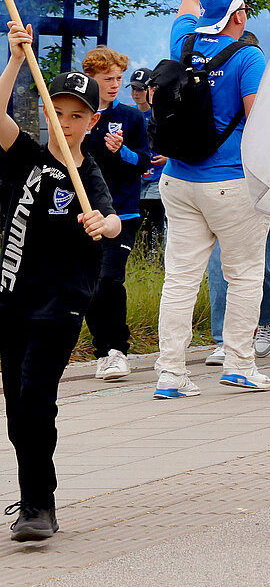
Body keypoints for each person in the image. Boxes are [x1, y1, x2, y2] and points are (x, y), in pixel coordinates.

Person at [0, 25, 122, 542]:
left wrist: (102, 224)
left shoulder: (87, 172)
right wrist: (14, 60)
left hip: (62, 301)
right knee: (16, 406)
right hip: (10, 298)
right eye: (57, 112)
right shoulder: (24, 154)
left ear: (92, 122)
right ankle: (34, 499)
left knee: (34, 396)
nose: (65, 123)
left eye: (77, 115)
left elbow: (112, 221)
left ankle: (38, 505)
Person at [153, 0, 270, 398]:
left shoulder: (183, 41)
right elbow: (258, 118)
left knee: (180, 277)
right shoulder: (247, 55)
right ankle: (240, 362)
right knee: (243, 274)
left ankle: (170, 373)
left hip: (177, 179)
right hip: (230, 183)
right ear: (239, 16)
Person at [80, 46, 152, 380]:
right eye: (108, 78)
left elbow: (144, 163)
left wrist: (122, 151)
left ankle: (115, 349)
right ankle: (101, 349)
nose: (114, 84)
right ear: (91, 78)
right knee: (89, 283)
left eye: (119, 79)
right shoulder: (77, 116)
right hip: (83, 214)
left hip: (122, 213)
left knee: (110, 278)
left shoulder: (131, 117)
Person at [127, 67, 166, 246]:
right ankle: (140, 258)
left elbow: (176, 143)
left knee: (155, 219)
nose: (136, 93)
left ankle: (156, 259)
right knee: (138, 221)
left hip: (157, 175)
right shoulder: (130, 115)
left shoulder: (162, 114)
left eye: (141, 89)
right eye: (133, 89)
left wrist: (169, 158)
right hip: (136, 176)